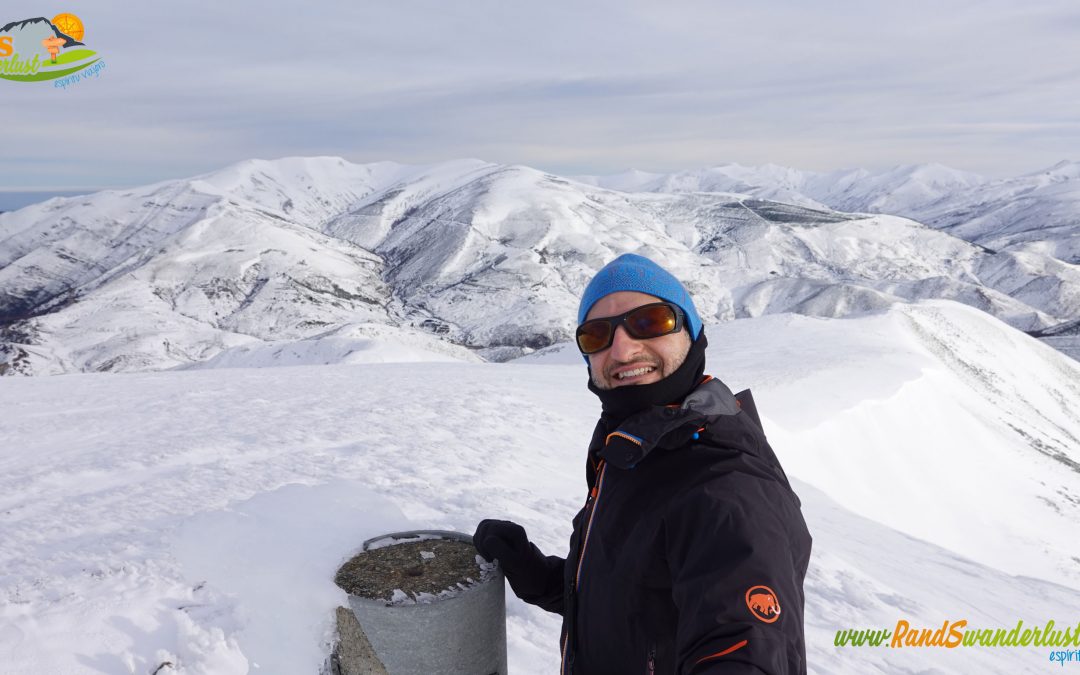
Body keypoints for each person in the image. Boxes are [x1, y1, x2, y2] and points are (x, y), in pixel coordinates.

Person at [474, 253, 812, 674]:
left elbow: (742, 650)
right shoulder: (635, 450)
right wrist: (538, 576)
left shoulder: (724, 489)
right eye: (596, 335)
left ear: (691, 332)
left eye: (650, 321)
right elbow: (637, 604)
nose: (622, 348)